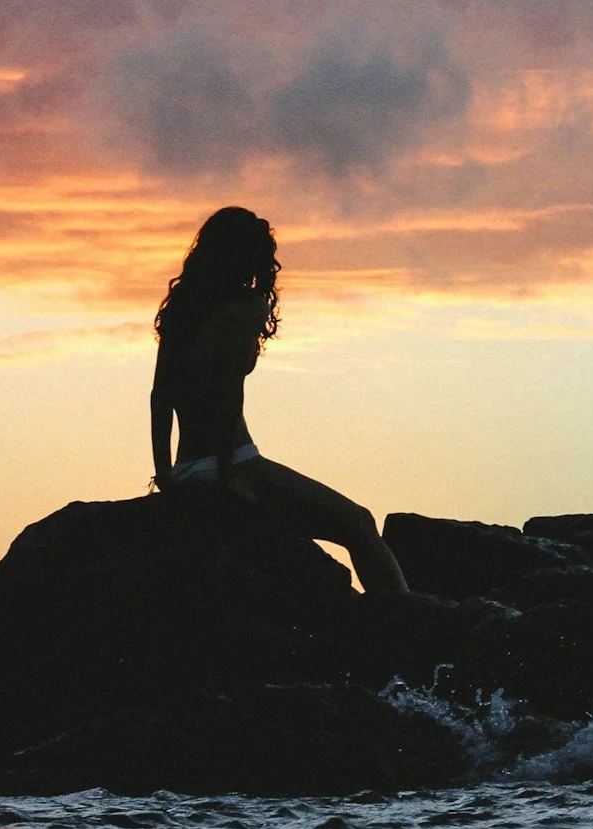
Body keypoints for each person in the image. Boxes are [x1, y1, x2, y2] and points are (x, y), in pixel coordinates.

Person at [149, 206, 409, 594]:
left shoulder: (182, 310)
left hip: (187, 469)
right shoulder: (245, 307)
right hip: (234, 462)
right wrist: (228, 474)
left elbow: (160, 398)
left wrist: (166, 477)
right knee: (359, 524)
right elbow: (224, 396)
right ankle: (407, 627)